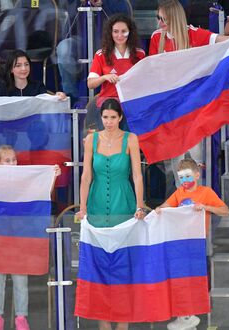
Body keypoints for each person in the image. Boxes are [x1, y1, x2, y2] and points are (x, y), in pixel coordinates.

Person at [75, 98, 146, 330]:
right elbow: (86, 176)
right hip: (95, 209)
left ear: (120, 118)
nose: (108, 122)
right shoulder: (91, 140)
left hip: (123, 207)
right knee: (99, 268)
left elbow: (137, 175)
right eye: (105, 117)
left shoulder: (131, 139)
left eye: (113, 117)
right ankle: (103, 324)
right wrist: (82, 206)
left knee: (123, 268)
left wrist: (139, 205)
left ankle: (123, 325)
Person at [150, 0, 229, 192]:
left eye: (164, 19)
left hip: (194, 107)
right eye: (158, 18)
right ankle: (179, 200)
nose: (160, 23)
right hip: (170, 109)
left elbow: (223, 40)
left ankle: (198, 201)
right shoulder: (156, 38)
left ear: (175, 18)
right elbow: (151, 71)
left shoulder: (193, 33)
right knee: (175, 158)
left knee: (195, 158)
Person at [0, 145, 61, 330]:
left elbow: (41, 196)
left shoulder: (24, 182)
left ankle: (21, 318)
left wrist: (52, 177)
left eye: (14, 159)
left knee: (21, 282)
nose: (12, 163)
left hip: (19, 240)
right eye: (7, 160)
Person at [155, 158, 229, 330]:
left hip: (196, 244)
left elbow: (225, 211)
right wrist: (159, 210)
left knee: (193, 279)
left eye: (188, 177)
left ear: (197, 175)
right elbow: (165, 207)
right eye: (181, 178)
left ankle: (190, 314)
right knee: (180, 278)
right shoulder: (179, 192)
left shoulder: (206, 192)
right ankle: (184, 315)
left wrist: (205, 207)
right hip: (179, 242)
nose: (185, 181)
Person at [85, 13, 145, 131]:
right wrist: (105, 77)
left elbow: (145, 82)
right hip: (108, 104)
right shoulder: (101, 54)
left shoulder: (140, 54)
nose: (119, 35)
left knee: (128, 140)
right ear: (110, 33)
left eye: (124, 31)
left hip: (130, 103)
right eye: (115, 31)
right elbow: (90, 84)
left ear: (130, 32)